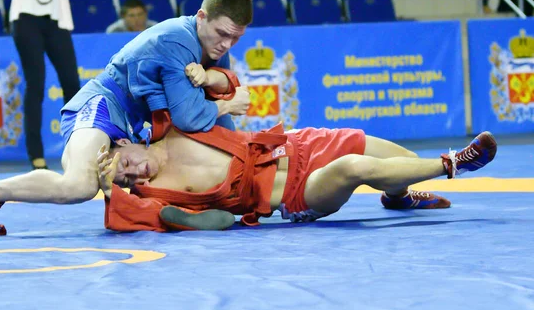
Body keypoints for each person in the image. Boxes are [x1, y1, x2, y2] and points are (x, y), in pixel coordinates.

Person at [0, 0, 254, 236]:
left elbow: (217, 132)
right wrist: (228, 103)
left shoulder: (215, 52)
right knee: (80, 185)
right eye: (221, 33)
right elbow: (189, 118)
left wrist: (241, 168)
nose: (226, 44)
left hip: (131, 129)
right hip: (103, 105)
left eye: (235, 38)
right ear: (201, 17)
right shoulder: (178, 39)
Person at [97, 110, 497, 232]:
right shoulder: (157, 197)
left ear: (124, 142)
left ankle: (399, 196)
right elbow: (221, 220)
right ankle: (455, 163)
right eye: (128, 181)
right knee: (355, 168)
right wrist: (176, 216)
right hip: (296, 194)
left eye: (127, 165)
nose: (136, 175)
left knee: (398, 160)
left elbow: (205, 72)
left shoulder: (172, 122)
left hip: (300, 143)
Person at [9, 0, 81, 170]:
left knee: (72, 82)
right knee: (36, 83)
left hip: (56, 21)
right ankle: (36, 154)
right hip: (26, 19)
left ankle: (76, 148)